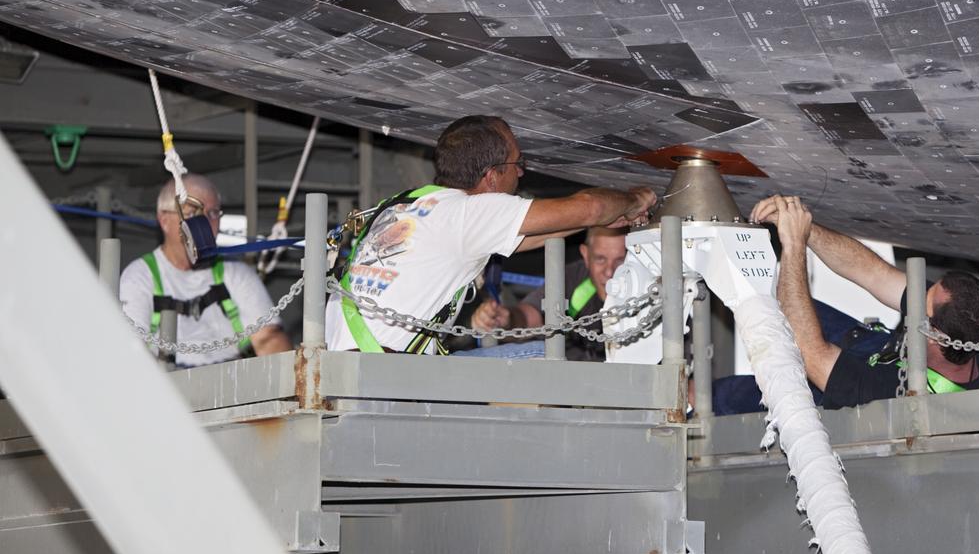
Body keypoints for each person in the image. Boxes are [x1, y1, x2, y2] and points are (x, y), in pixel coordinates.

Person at [325, 115, 656, 354]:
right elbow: (590, 207)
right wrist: (635, 200)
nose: (522, 172)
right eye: (517, 164)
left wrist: (602, 221)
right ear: (492, 177)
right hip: (378, 377)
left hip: (347, 365)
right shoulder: (471, 212)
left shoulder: (408, 203)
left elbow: (530, 236)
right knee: (537, 355)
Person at [713, 195, 979, 413]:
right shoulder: (975, 328)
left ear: (936, 334)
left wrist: (794, 245)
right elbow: (874, 274)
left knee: (728, 394)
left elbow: (812, 354)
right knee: (776, 296)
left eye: (921, 307)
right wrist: (805, 229)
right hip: (881, 351)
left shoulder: (902, 397)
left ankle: (692, 396)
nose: (915, 297)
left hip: (840, 387)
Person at [119, 174, 292, 368]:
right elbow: (131, 352)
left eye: (213, 214)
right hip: (165, 389)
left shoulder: (237, 274)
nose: (206, 225)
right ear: (164, 220)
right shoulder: (139, 277)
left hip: (234, 390)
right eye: (192, 214)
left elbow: (269, 340)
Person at [470, 226, 627, 361]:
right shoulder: (571, 278)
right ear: (585, 255)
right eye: (600, 259)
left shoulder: (649, 289)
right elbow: (530, 317)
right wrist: (506, 319)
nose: (609, 271)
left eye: (620, 260)